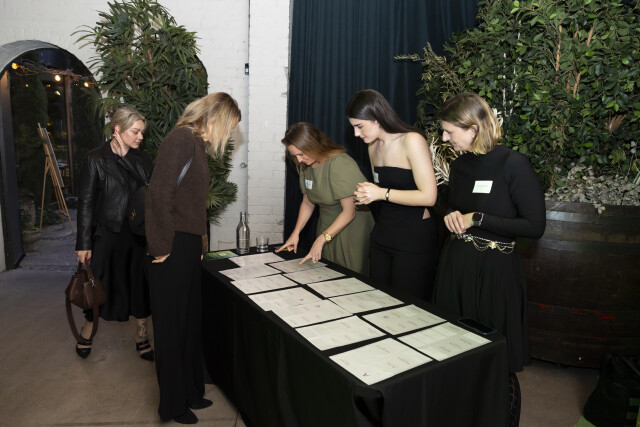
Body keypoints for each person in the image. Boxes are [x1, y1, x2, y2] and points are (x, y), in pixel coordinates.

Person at [431, 92, 546, 426]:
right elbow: (454, 208)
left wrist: (478, 219)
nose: (445, 139)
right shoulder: (460, 165)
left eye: (449, 131)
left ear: (473, 128)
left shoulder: (514, 164)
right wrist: (451, 215)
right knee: (453, 346)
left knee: (496, 359)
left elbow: (534, 226)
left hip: (496, 272)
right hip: (457, 266)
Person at [145, 92, 241, 424]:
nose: (228, 135)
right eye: (228, 127)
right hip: (169, 245)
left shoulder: (196, 144)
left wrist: (199, 243)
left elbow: (192, 204)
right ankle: (172, 405)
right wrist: (160, 247)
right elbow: (158, 195)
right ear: (214, 118)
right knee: (171, 328)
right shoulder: (180, 139)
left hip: (186, 245)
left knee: (188, 322)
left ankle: (190, 391)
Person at [75, 105, 154, 361]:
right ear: (117, 130)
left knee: (139, 285)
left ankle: (142, 334)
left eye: (142, 132)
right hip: (106, 234)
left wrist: (126, 157)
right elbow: (85, 203)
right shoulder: (95, 158)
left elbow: (150, 186)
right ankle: (88, 329)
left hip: (137, 236)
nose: (140, 137)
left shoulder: (141, 159)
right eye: (135, 132)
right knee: (96, 285)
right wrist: (83, 243)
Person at [346, 89, 438, 300]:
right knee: (379, 299)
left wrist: (380, 193)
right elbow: (381, 190)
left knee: (409, 304)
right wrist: (367, 194)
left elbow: (429, 197)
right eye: (353, 128)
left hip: (412, 235)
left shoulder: (411, 140)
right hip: (383, 232)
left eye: (359, 126)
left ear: (377, 118)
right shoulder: (372, 147)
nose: (356, 134)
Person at [277, 122, 374, 275]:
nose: (299, 160)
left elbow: (349, 212)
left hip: (350, 227)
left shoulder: (339, 163)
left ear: (313, 145)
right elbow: (308, 202)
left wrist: (322, 238)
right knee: (327, 272)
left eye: (301, 154)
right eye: (295, 156)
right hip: (326, 224)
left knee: (349, 275)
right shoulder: (305, 165)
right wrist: (295, 233)